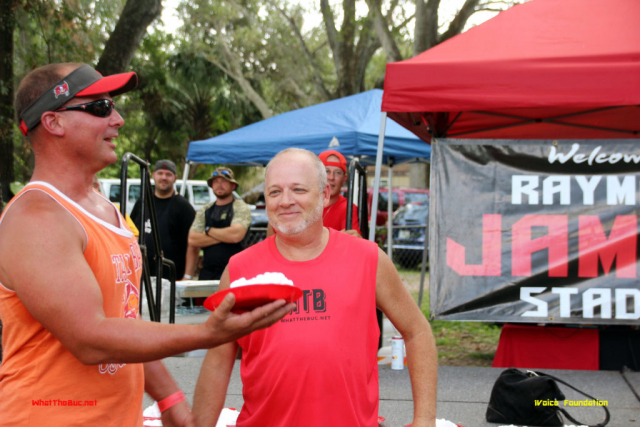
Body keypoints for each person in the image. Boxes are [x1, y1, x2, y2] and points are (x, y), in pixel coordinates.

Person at [0, 62, 294, 427]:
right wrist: (207, 333)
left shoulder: (105, 208)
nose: (118, 119)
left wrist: (169, 399)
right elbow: (90, 339)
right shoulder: (37, 216)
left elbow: (125, 321)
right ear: (53, 122)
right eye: (101, 107)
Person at [192, 148, 437, 427]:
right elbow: (218, 361)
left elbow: (417, 332)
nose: (285, 201)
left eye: (298, 189)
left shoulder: (368, 259)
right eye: (274, 192)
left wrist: (425, 420)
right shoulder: (240, 269)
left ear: (324, 194)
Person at [266, 149, 361, 238]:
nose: (331, 177)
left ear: (344, 179)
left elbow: (352, 240)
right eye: (326, 171)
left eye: (337, 172)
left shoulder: (348, 208)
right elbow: (271, 240)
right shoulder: (297, 203)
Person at [183, 167, 251, 281]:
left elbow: (236, 235)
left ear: (233, 186)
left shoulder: (240, 207)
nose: (219, 185)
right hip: (207, 273)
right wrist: (225, 236)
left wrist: (208, 230)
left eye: (224, 181)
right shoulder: (206, 210)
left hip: (235, 273)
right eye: (215, 181)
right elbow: (193, 239)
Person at [131, 159, 195, 279]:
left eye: (168, 174)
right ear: (153, 175)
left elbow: (192, 245)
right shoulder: (142, 202)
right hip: (142, 273)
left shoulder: (183, 207)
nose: (164, 177)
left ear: (175, 178)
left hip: (171, 275)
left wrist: (187, 276)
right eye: (160, 173)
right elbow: (131, 234)